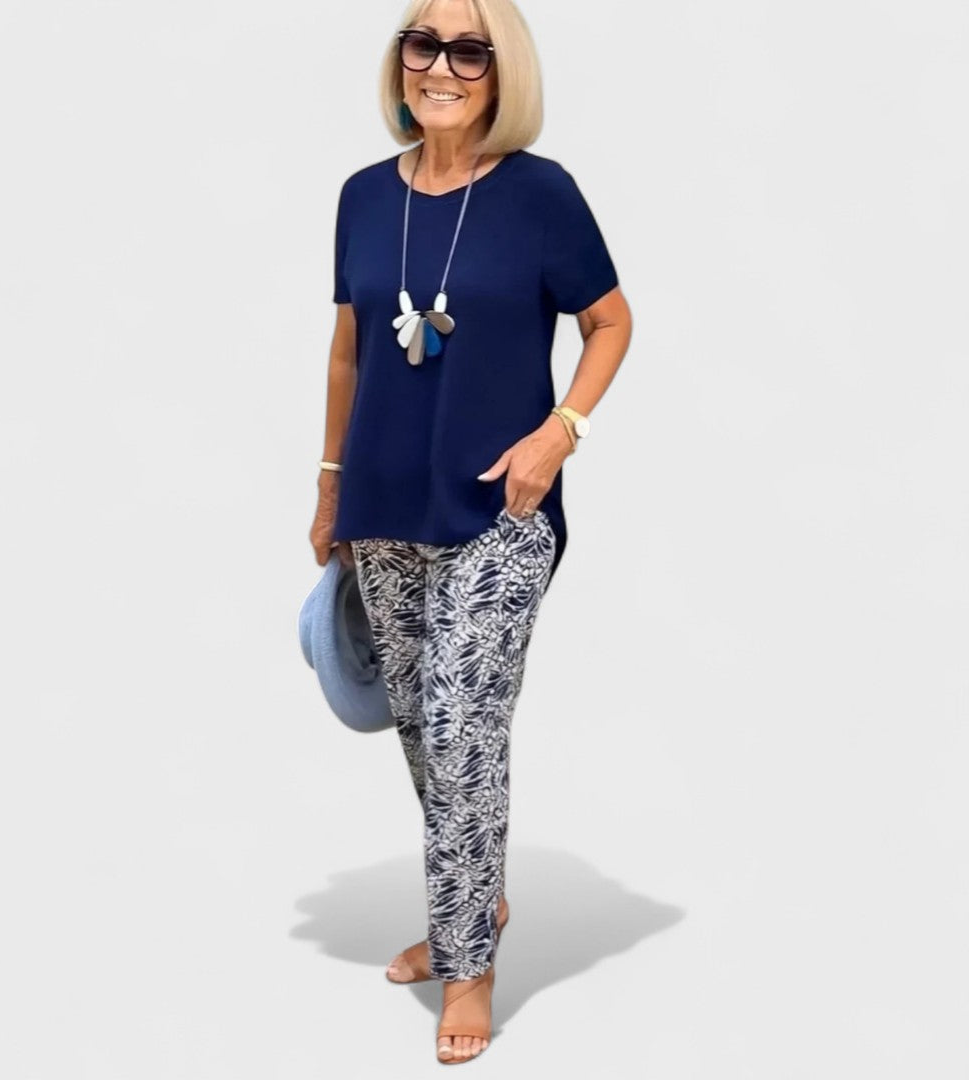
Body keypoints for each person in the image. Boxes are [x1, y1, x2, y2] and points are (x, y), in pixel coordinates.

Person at [308, 0, 632, 1064]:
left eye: (468, 50)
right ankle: (473, 901)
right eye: (423, 43)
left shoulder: (541, 195)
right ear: (399, 60)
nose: (440, 65)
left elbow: (611, 321)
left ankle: (468, 967)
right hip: (382, 508)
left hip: (502, 511)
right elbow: (349, 350)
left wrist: (559, 433)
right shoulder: (364, 196)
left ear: (503, 72)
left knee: (460, 729)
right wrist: (329, 484)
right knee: (419, 726)